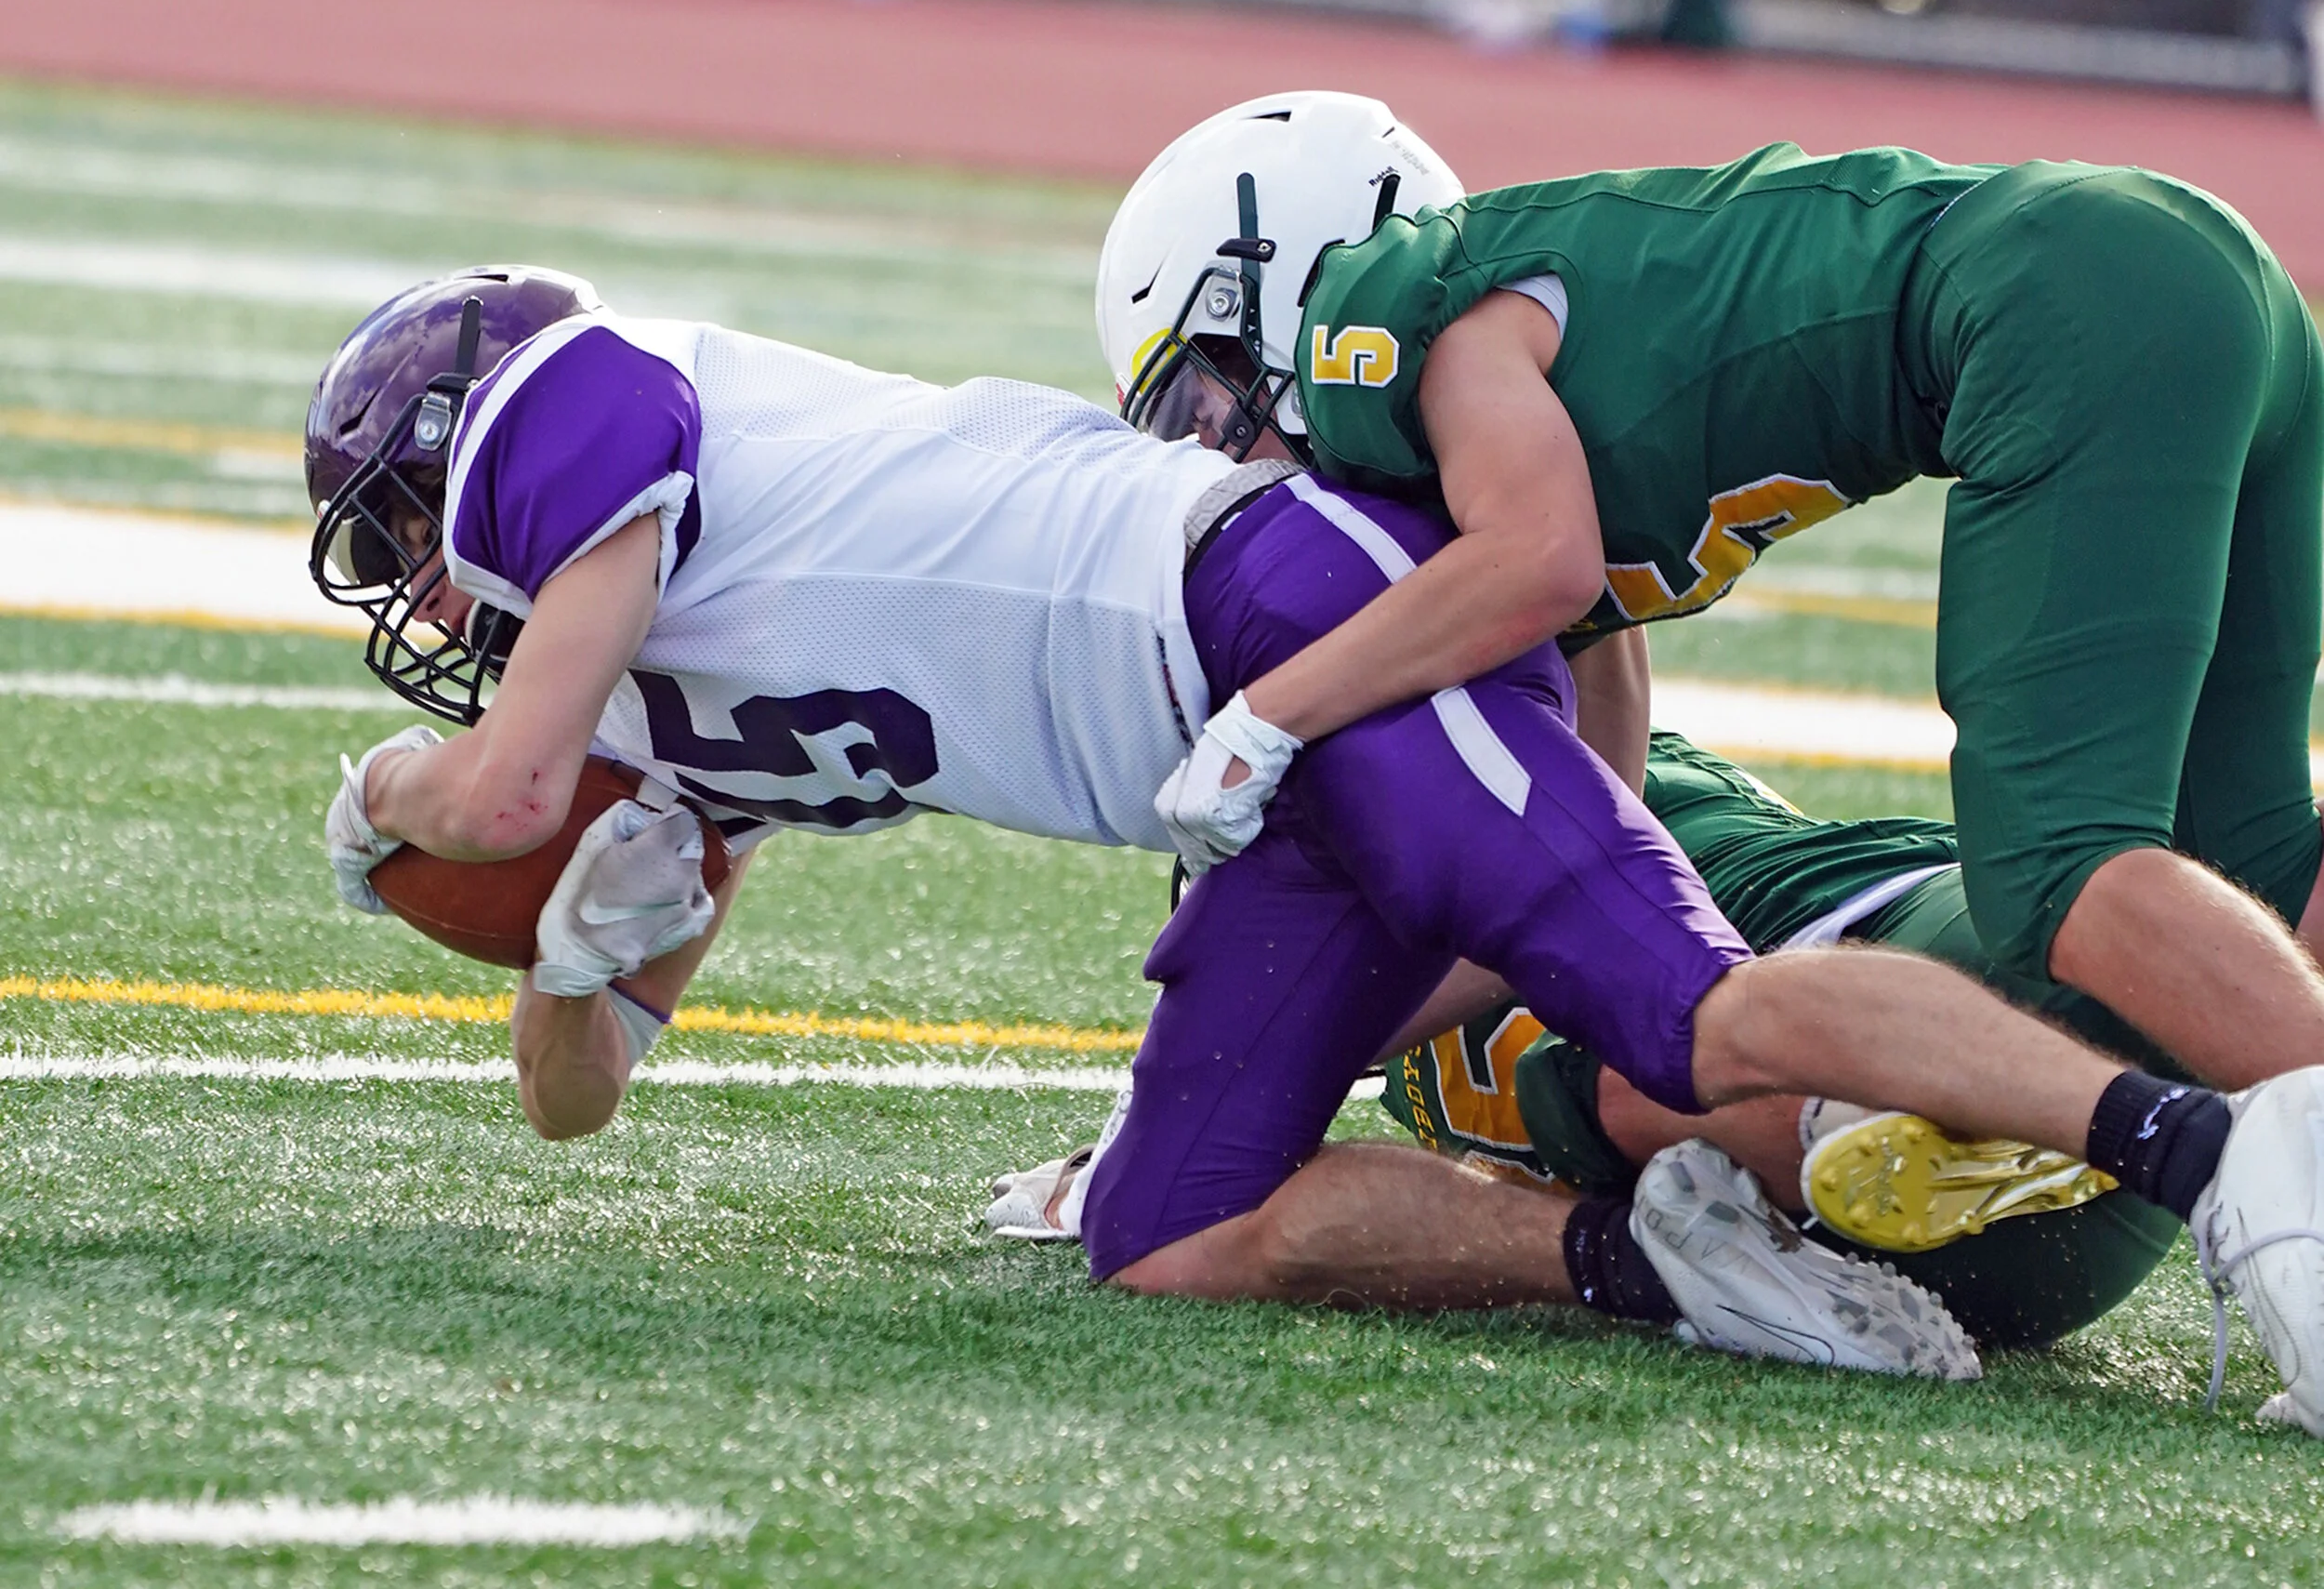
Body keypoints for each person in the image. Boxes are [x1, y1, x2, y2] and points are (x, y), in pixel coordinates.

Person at [308, 262, 2324, 1423]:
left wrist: (380, 800)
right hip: (1252, 789)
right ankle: (1661, 1270)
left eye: (401, 534)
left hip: (1295, 627)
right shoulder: (663, 713)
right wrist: (576, 952)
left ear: (456, 445)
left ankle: (2219, 1148)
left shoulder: (581, 395)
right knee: (1167, 1233)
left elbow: (480, 791)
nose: (422, 587)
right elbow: (582, 1098)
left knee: (1688, 1014)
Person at [1097, 93, 2324, 1122]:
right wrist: (1280, 1040)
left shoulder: (1370, 326)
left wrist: (1265, 711)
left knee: (2058, 868)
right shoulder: (1488, 453)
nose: (1214, 461)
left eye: (1198, 408)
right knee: (2257, 853)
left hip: (2074, 302)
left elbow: (1545, 560)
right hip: (2185, 278)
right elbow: (1594, 827)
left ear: (1267, 291)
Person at [992, 729, 2179, 1352]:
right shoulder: (1455, 793)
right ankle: (1956, 1128)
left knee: (1650, 1070)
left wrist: (1149, 1138)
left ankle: (1898, 1124)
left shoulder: (1488, 802)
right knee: (1647, 1075)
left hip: (1919, 1082)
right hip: (1991, 1212)